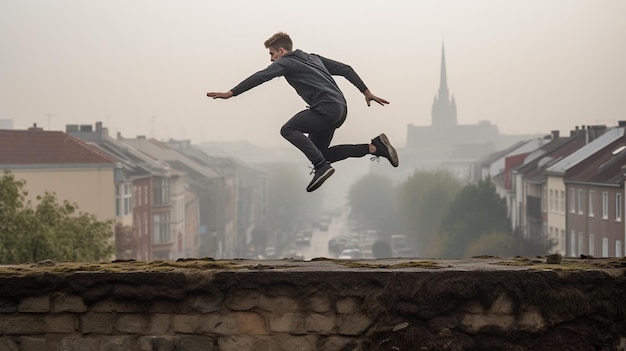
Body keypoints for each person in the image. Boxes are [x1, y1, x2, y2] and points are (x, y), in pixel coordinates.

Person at [207, 32, 398, 192]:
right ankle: (374, 148)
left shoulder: (286, 62)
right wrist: (366, 92)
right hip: (340, 109)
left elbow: (261, 76)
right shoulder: (313, 58)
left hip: (325, 108)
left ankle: (320, 167)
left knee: (288, 130)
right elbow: (346, 69)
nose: (272, 59)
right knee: (321, 152)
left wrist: (231, 93)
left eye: (272, 54)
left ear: (282, 51)